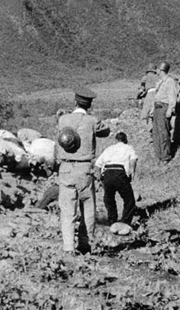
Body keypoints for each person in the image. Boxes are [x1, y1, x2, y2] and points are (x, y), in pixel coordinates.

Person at [56, 88, 110, 254]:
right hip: (85, 168)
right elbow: (106, 131)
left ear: (75, 102)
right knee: (87, 206)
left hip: (65, 168)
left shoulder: (63, 119)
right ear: (90, 105)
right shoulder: (92, 121)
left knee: (67, 210)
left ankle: (68, 248)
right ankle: (85, 243)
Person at [94, 132, 138, 230]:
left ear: (116, 140)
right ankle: (125, 222)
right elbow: (133, 160)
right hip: (119, 173)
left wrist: (100, 178)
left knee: (109, 199)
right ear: (125, 140)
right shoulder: (128, 148)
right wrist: (132, 172)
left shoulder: (109, 149)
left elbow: (98, 164)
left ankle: (112, 221)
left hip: (107, 173)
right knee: (129, 199)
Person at [151, 62, 179, 163]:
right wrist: (152, 109)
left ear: (162, 70)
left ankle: (165, 156)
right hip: (157, 107)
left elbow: (172, 97)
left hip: (164, 107)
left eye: (158, 69)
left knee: (163, 133)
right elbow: (156, 96)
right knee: (156, 133)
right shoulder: (161, 82)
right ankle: (159, 155)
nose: (156, 71)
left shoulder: (170, 81)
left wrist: (170, 110)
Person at [137, 64, 159, 130]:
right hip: (158, 94)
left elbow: (141, 90)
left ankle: (147, 129)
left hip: (150, 94)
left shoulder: (145, 77)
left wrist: (138, 96)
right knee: (154, 112)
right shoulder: (158, 77)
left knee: (145, 112)